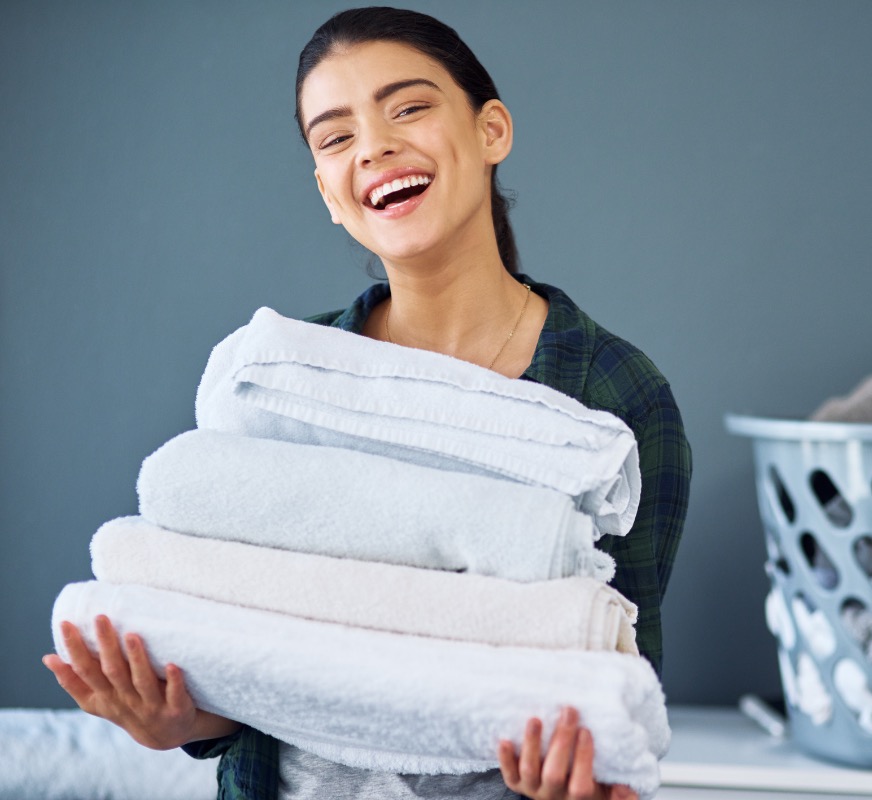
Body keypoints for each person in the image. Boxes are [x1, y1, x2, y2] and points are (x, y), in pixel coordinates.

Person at [43, 7, 691, 800]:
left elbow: (628, 692)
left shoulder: (612, 399)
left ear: (492, 130)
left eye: (408, 107)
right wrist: (184, 719)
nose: (375, 146)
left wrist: (586, 772)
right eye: (335, 136)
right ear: (328, 190)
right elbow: (252, 641)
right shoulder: (277, 381)